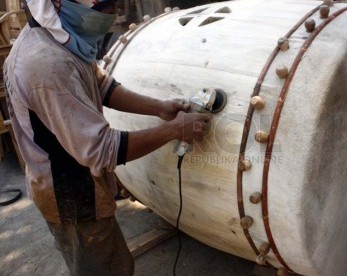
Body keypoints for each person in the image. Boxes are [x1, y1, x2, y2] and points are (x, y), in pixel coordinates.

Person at [3, 0, 211, 274]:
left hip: (73, 177)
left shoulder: (58, 36)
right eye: (105, 7)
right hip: (71, 192)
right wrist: (174, 130)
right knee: (107, 267)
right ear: (58, 3)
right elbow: (101, 150)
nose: (112, 15)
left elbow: (100, 85)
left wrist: (158, 107)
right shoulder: (47, 64)